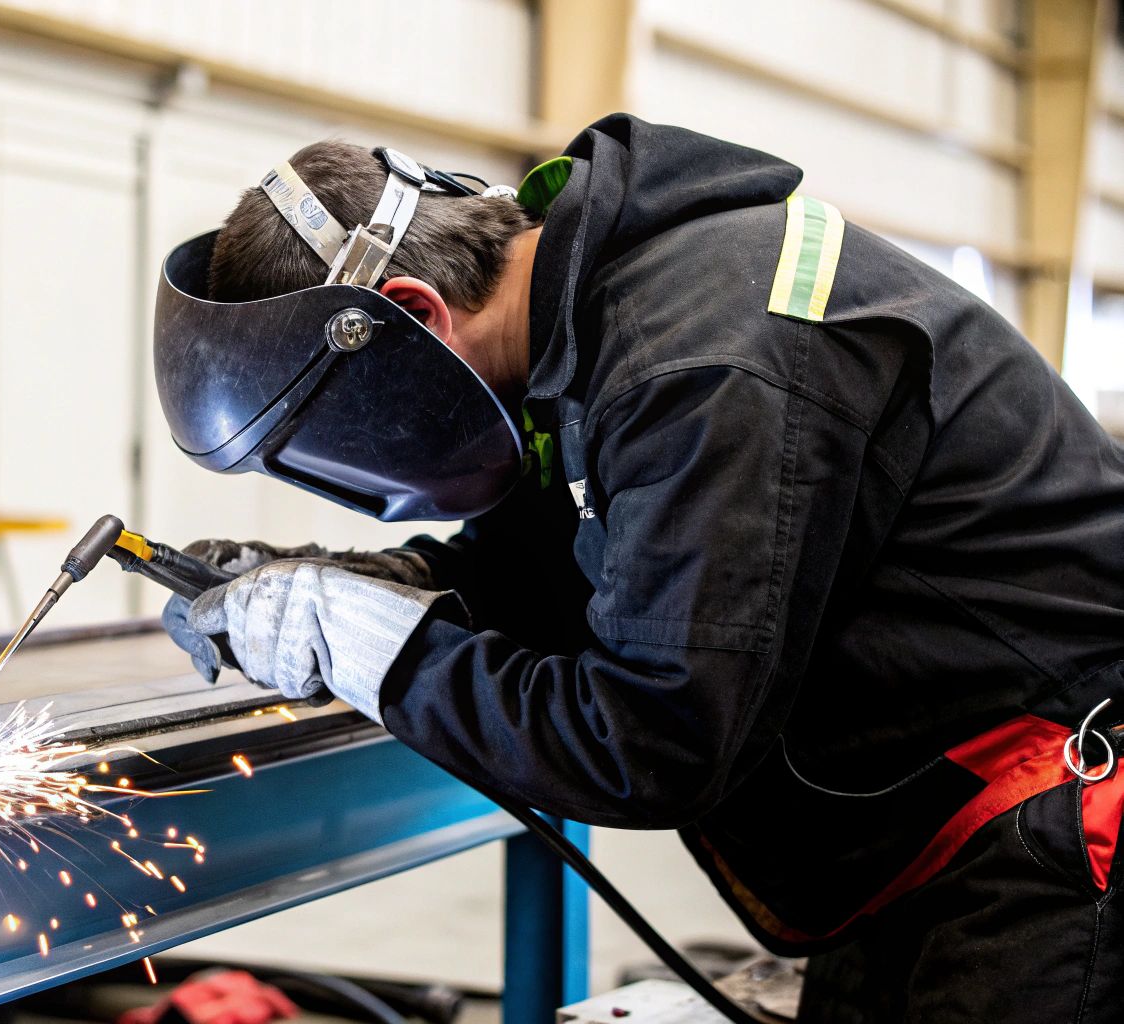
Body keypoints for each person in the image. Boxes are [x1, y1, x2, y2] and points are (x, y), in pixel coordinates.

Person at [150, 114, 1124, 1022]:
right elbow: (549, 576)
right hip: (929, 844)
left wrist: (375, 652)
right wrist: (367, 584)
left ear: (411, 313)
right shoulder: (587, 323)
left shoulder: (699, 363)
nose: (359, 469)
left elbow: (651, 738)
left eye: (343, 435)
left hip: (1050, 840)